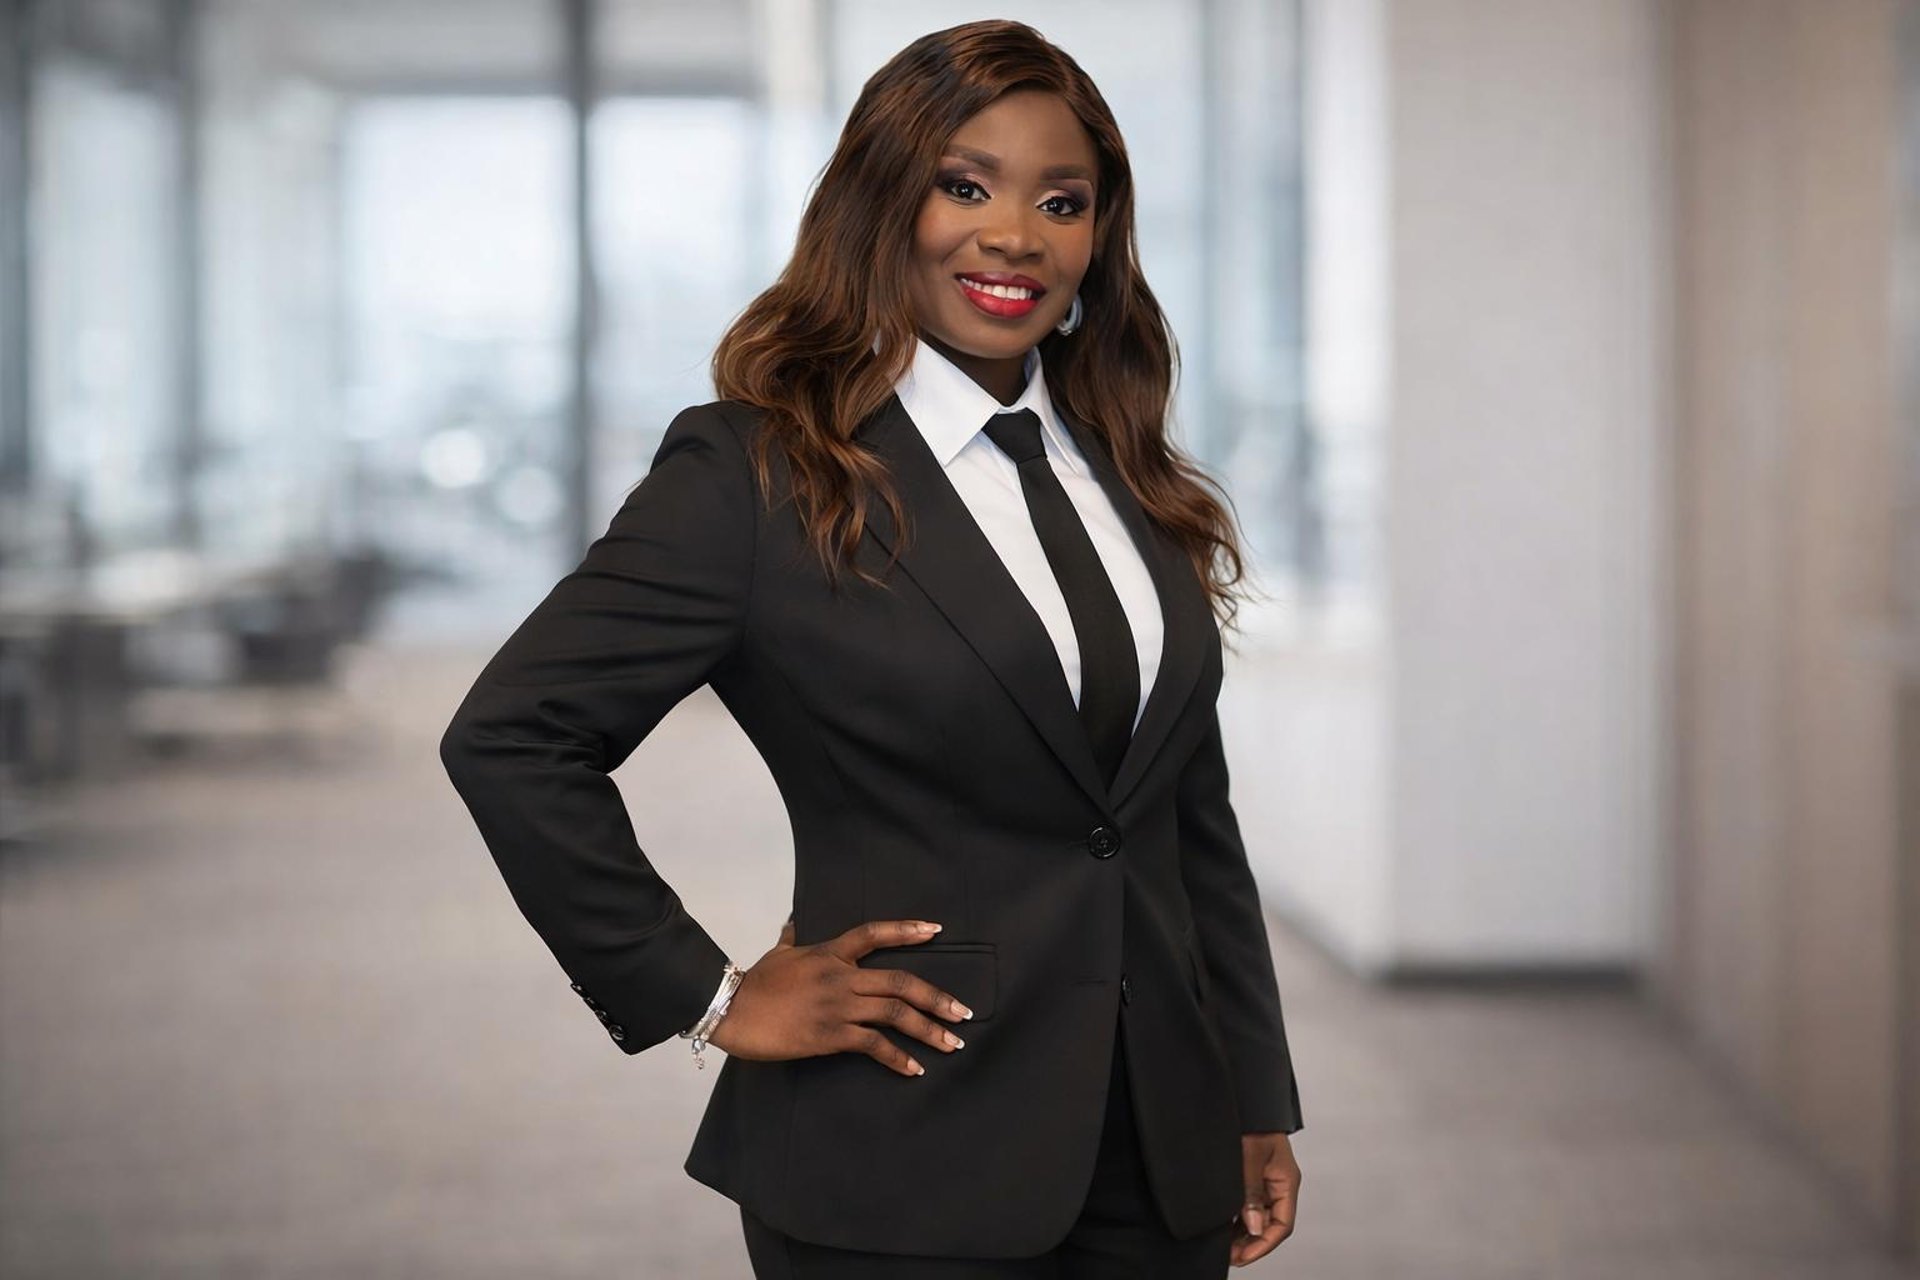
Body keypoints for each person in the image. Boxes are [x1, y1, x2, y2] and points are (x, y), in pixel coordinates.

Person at [439, 18, 1303, 1278]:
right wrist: (707, 993)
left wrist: (1252, 1089)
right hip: (898, 1153)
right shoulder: (753, 471)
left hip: (1158, 1151)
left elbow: (1187, 820)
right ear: (882, 201)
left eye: (1061, 201)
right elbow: (513, 736)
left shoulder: (1128, 465)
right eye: (966, 185)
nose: (1015, 235)